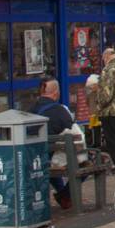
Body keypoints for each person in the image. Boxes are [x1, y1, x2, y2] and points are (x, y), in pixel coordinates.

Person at [35, 79, 80, 209]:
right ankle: (65, 195)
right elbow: (73, 134)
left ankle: (62, 194)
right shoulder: (60, 111)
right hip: (52, 158)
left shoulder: (29, 110)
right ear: (56, 94)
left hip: (35, 158)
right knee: (84, 161)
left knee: (48, 160)